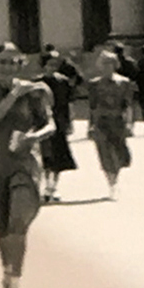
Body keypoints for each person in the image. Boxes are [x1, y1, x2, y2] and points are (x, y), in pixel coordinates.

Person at [0, 44, 54, 288]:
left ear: (21, 64)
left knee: (19, 219)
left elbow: (51, 123)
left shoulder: (36, 92)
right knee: (2, 222)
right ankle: (7, 271)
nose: (6, 67)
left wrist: (35, 136)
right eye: (2, 62)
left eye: (12, 62)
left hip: (25, 159)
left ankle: (16, 280)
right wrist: (12, 95)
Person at [86, 51, 136, 200]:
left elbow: (128, 105)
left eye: (110, 63)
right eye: (105, 64)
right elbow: (92, 107)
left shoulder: (124, 83)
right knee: (105, 153)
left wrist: (130, 124)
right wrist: (90, 126)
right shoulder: (94, 84)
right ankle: (112, 184)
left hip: (118, 121)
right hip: (102, 121)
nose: (107, 67)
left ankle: (116, 177)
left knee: (120, 154)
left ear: (115, 65)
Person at [35, 49, 80, 203]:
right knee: (45, 156)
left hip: (59, 123)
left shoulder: (64, 82)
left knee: (59, 158)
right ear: (44, 65)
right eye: (49, 64)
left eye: (55, 64)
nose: (52, 67)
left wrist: (70, 122)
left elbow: (69, 103)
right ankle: (47, 186)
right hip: (41, 124)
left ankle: (54, 187)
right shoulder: (36, 83)